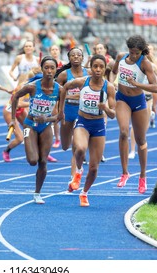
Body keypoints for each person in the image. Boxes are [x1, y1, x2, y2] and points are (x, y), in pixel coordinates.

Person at [9, 56, 65, 204]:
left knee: (43, 161)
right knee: (33, 161)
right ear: (42, 69)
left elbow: (60, 116)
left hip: (46, 125)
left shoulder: (60, 90)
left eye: (52, 68)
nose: (49, 71)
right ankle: (29, 144)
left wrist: (46, 119)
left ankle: (37, 193)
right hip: (30, 124)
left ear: (56, 70)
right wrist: (13, 119)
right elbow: (15, 97)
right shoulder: (32, 86)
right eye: (46, 68)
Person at [63, 54, 116, 206]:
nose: (98, 69)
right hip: (83, 122)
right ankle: (78, 171)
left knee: (93, 168)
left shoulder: (109, 87)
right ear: (90, 68)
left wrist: (105, 108)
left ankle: (84, 193)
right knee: (80, 149)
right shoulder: (82, 82)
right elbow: (65, 87)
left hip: (98, 125)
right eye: (95, 66)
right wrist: (60, 109)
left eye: (101, 67)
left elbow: (113, 114)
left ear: (105, 69)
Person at [110, 35, 157, 194]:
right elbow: (113, 71)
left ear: (141, 51)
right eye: (131, 52)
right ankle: (125, 173)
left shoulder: (145, 64)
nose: (133, 56)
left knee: (140, 139)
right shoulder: (120, 57)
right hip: (122, 98)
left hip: (138, 101)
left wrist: (136, 83)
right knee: (123, 132)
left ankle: (143, 176)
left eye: (136, 53)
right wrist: (112, 84)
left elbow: (155, 88)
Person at [2, 67, 57, 163]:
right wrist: (34, 103)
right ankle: (6, 151)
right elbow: (18, 103)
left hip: (21, 110)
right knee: (20, 138)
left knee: (34, 129)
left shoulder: (37, 85)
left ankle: (44, 153)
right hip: (11, 111)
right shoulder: (27, 86)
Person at [128, 48, 157, 159]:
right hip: (137, 98)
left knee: (144, 126)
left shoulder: (152, 66)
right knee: (134, 125)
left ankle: (141, 143)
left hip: (148, 99)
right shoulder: (134, 65)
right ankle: (132, 150)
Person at [55, 47, 89, 177]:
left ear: (82, 58)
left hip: (82, 112)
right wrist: (58, 111)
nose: (75, 57)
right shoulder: (64, 75)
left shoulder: (88, 74)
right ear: (69, 58)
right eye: (73, 55)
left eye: (78, 55)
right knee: (65, 145)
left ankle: (74, 176)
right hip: (67, 111)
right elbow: (57, 94)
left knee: (76, 145)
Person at [49, 44, 66, 148]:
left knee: (62, 115)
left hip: (61, 91)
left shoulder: (63, 64)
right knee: (54, 115)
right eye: (53, 49)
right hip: (50, 91)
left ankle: (65, 136)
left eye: (56, 49)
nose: (54, 51)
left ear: (59, 51)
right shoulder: (47, 64)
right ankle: (57, 138)